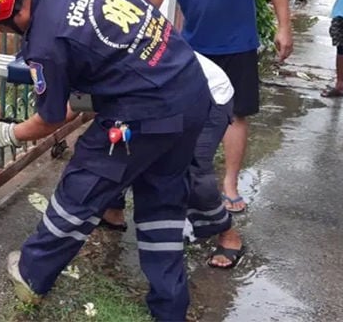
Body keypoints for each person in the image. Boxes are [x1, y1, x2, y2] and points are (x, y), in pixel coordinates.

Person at [0, 0, 213, 321]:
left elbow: (51, 118)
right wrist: (131, 52)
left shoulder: (45, 43)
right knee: (163, 199)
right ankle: (170, 309)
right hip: (189, 88)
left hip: (141, 115)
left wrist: (5, 133)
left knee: (81, 189)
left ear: (8, 17)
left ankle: (31, 273)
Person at [151, 0, 294, 213]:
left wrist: (284, 27)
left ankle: (229, 183)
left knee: (236, 115)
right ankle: (187, 182)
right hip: (195, 50)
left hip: (237, 45)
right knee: (188, 117)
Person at [101, 51, 244, 268]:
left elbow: (67, 111)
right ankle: (113, 211)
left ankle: (228, 234)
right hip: (158, 97)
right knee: (119, 147)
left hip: (208, 94)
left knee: (193, 170)